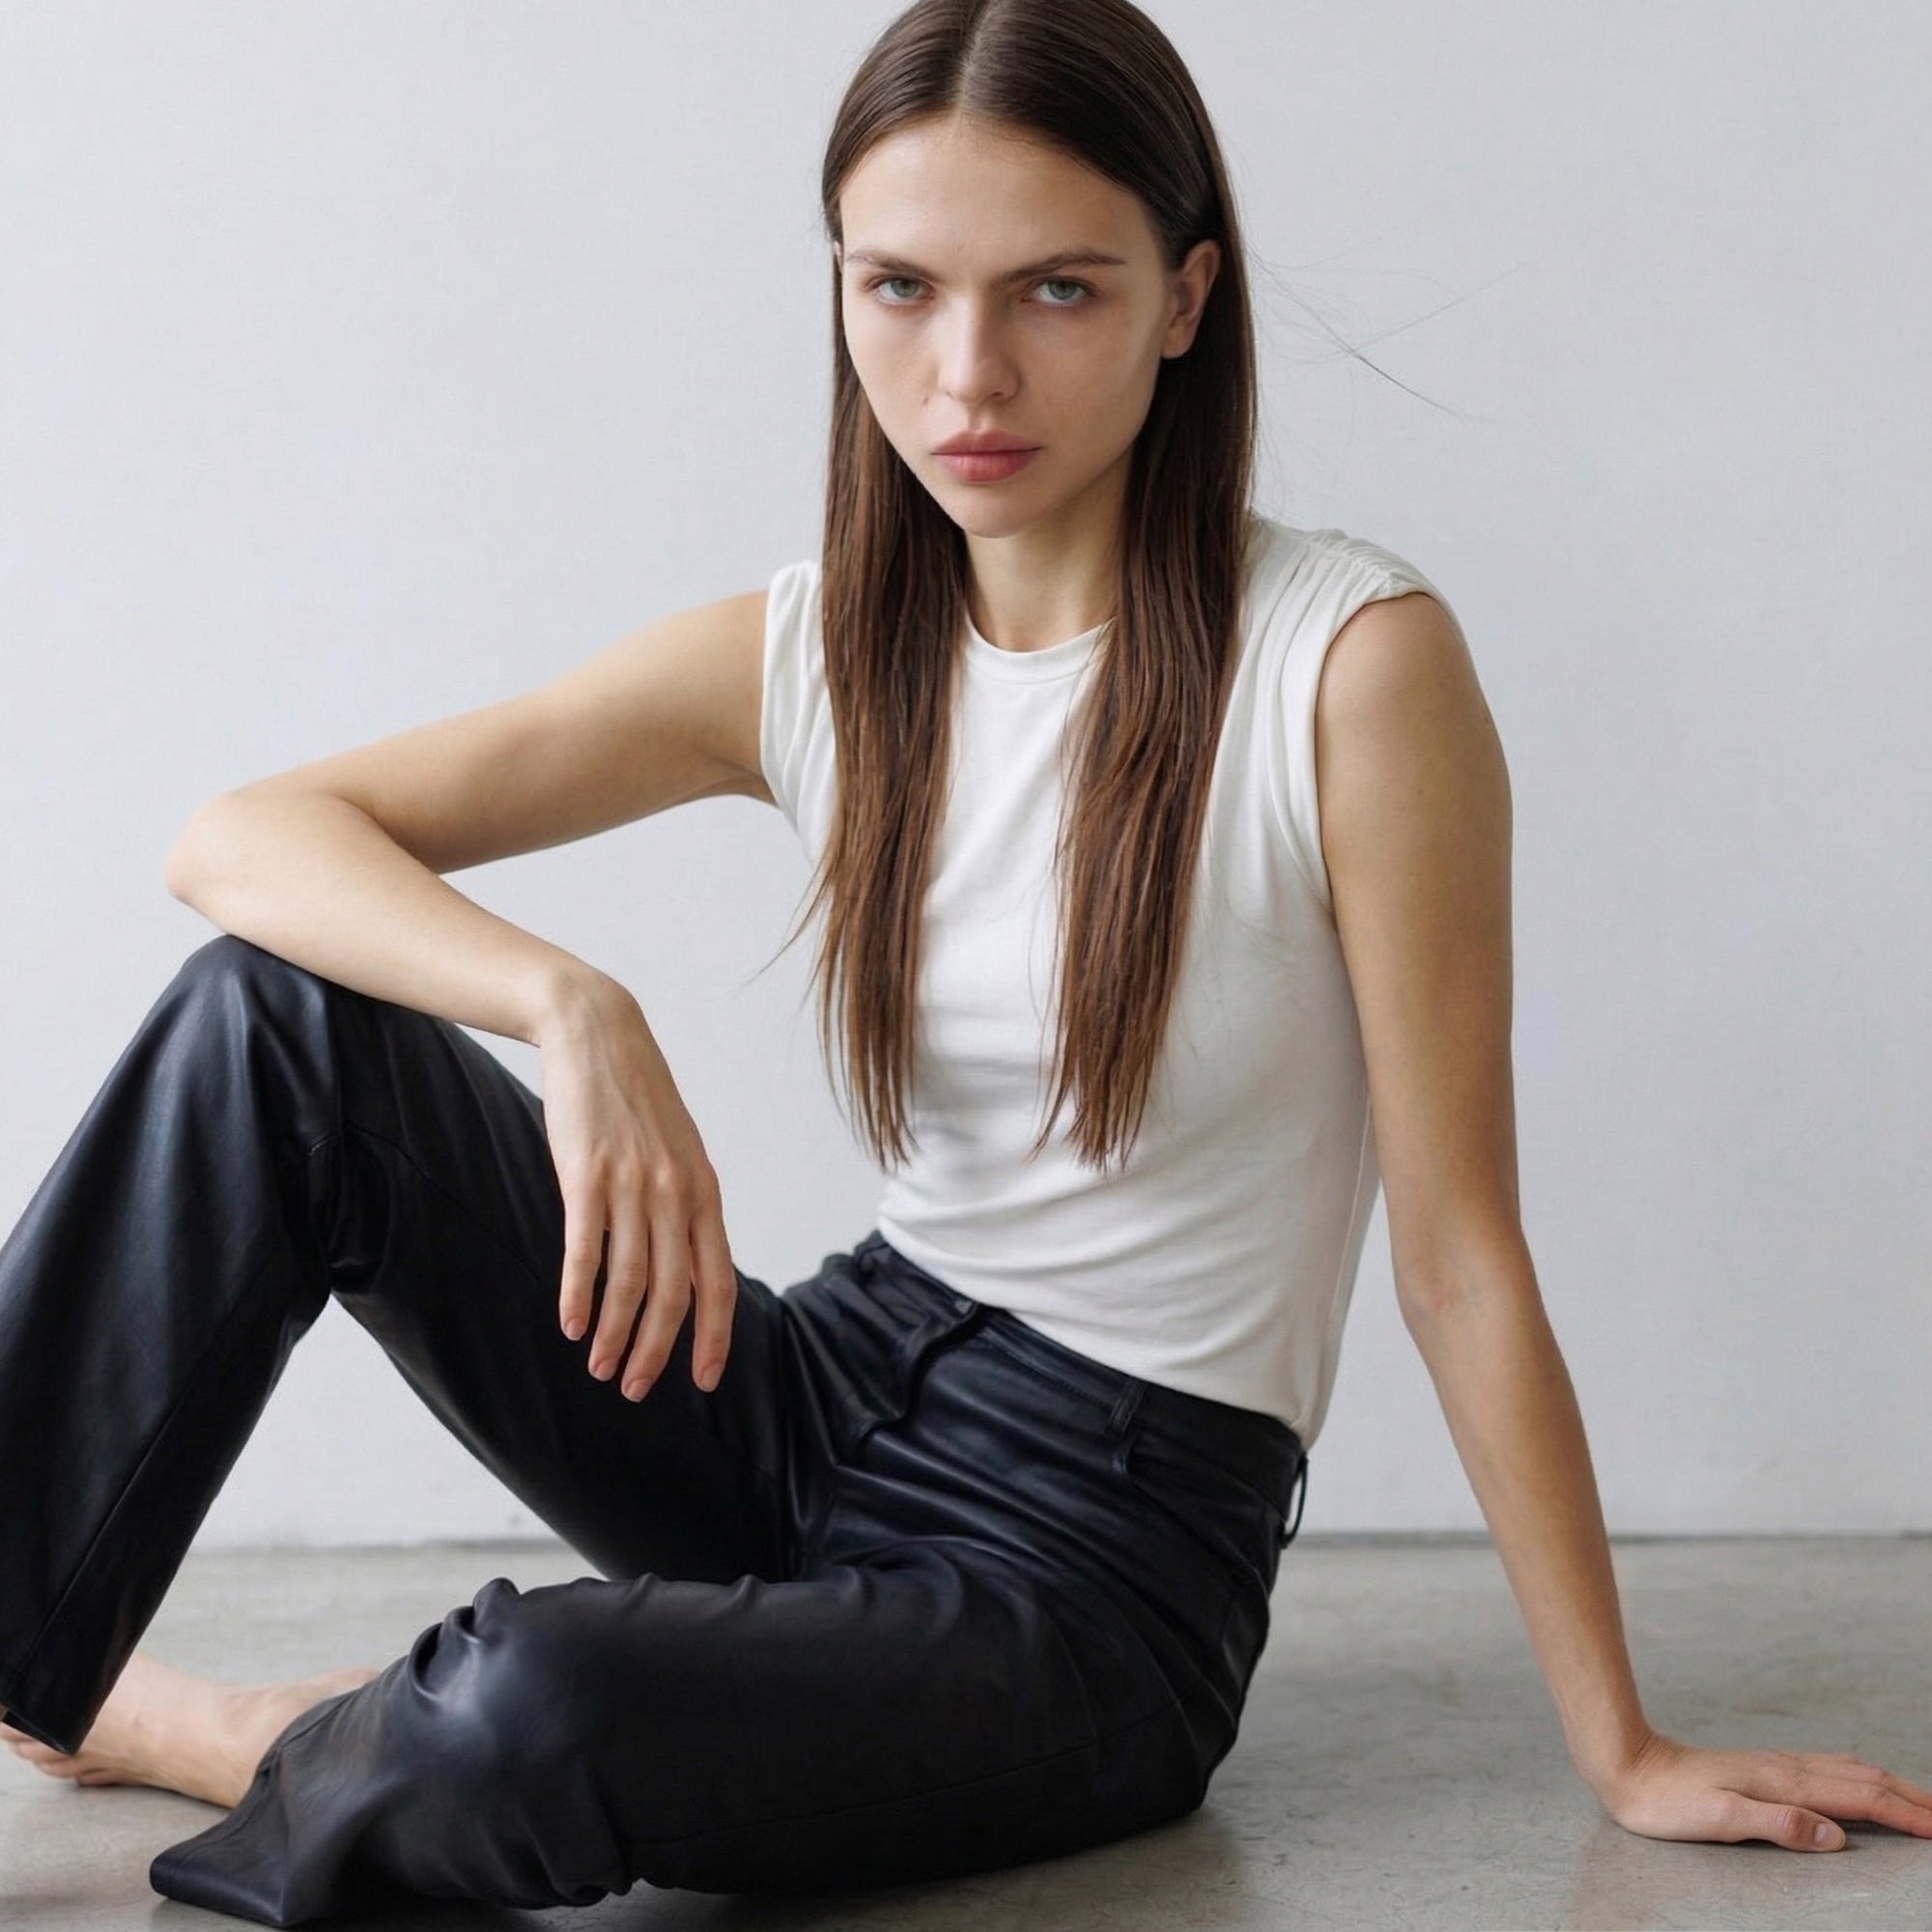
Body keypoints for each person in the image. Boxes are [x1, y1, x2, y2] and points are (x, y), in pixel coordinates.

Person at [5, 0, 1928, 1922]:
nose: (967, 372)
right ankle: (26, 1633)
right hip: (819, 1390)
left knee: (534, 1699)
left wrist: (1623, 1744)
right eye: (900, 288)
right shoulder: (819, 650)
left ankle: (216, 1724)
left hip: (1092, 1569)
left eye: (1058, 290)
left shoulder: (1345, 669)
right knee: (277, 1021)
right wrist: (566, 1004)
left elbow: (1457, 1253)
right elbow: (242, 836)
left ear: (1185, 299)